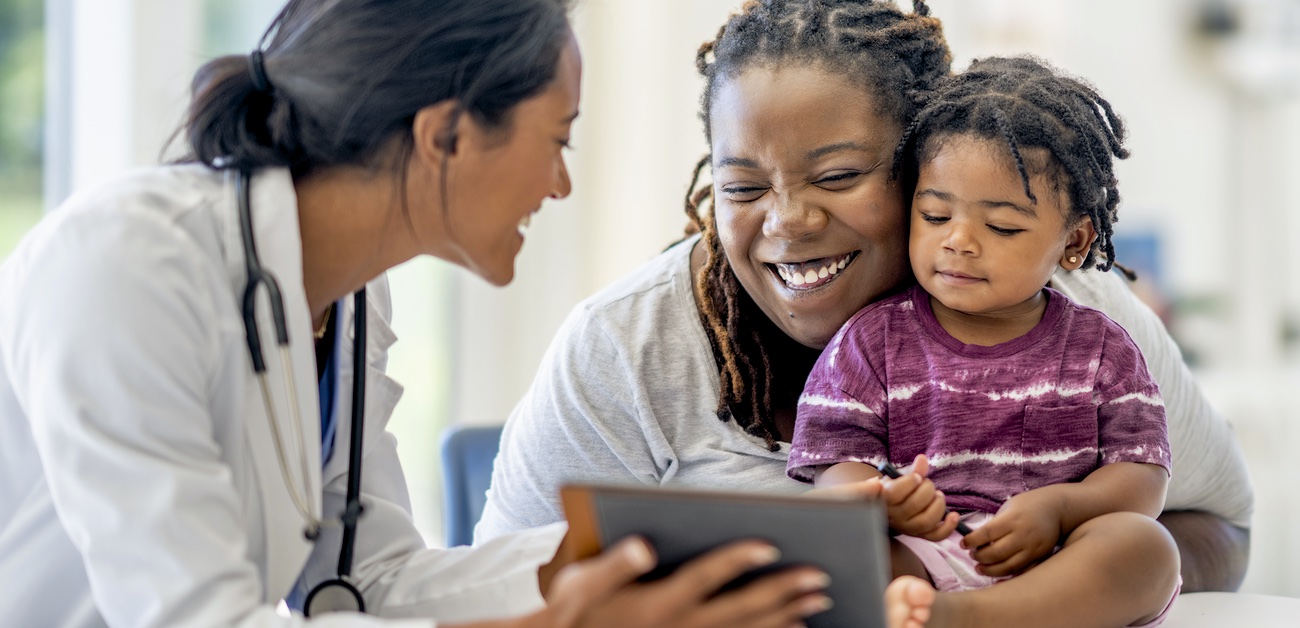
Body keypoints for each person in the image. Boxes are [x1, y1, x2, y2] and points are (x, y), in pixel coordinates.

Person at [0, 0, 842, 626]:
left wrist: (676, 552)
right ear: (446, 136)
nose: (560, 184)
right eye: (557, 139)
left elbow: (367, 581)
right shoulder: (122, 265)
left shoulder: (352, 293)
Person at [477, 0, 1254, 594]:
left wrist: (1050, 573)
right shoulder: (625, 345)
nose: (787, 221)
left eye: (840, 176)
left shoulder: (1077, 319)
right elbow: (502, 590)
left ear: (927, 164)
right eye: (742, 185)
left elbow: (1218, 529)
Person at [786, 55, 1180, 627]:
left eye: (1002, 227)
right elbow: (833, 466)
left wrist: (1062, 507)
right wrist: (881, 500)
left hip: (1060, 563)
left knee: (1146, 548)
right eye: (935, 214)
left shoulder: (1101, 349)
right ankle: (934, 609)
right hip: (921, 556)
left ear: (1074, 242)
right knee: (825, 551)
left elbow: (1142, 475)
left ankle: (970, 618)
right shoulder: (870, 343)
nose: (960, 242)